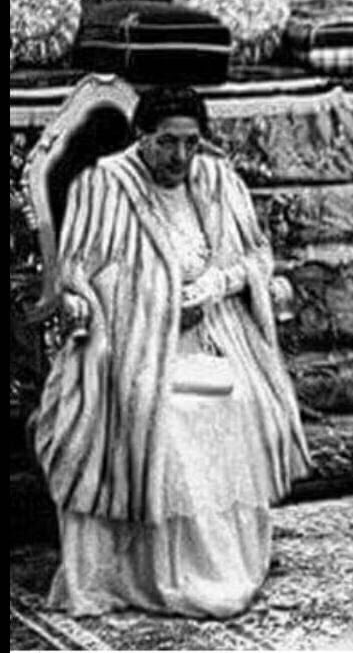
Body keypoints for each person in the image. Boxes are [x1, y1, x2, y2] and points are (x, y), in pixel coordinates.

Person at [34, 86, 311, 618]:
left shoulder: (218, 179)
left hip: (216, 330)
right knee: (167, 418)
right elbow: (79, 275)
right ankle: (164, 571)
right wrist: (159, 304)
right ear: (141, 137)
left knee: (246, 399)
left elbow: (257, 255)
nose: (180, 156)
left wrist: (217, 284)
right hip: (128, 340)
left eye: (190, 143)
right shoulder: (105, 185)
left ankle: (228, 560)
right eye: (166, 143)